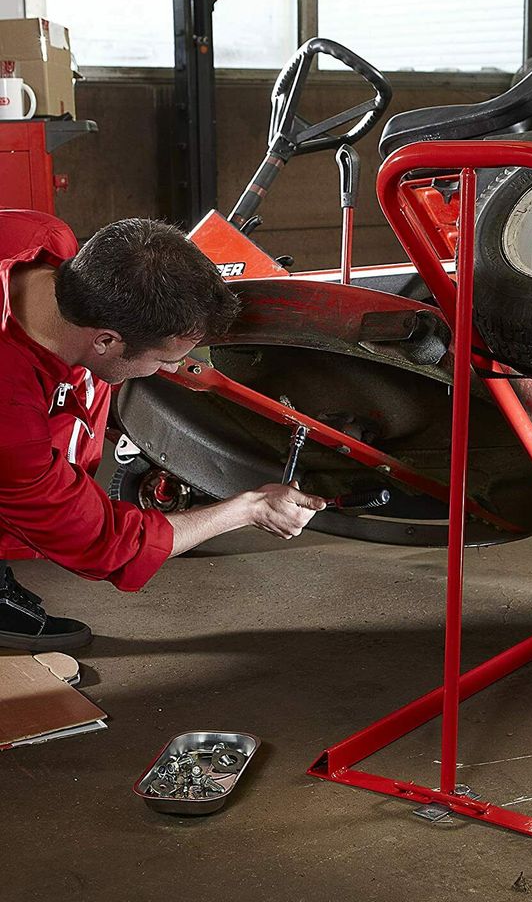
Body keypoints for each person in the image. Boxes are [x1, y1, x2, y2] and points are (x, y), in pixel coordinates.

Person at [0, 209, 327, 652]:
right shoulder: (13, 423)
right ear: (106, 340)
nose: (174, 369)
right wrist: (247, 509)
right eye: (165, 358)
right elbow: (106, 544)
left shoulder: (43, 238)